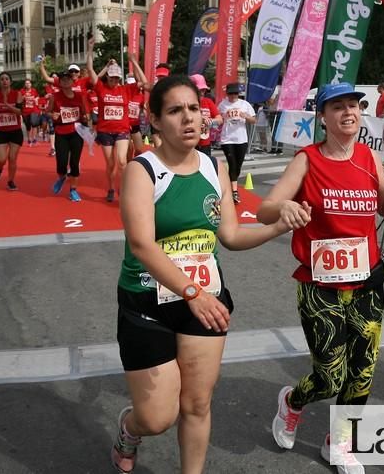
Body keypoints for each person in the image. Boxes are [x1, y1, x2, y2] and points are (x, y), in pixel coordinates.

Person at [112, 75, 293, 474]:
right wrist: (192, 292)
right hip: (149, 303)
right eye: (175, 111)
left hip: (204, 301)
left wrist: (278, 227)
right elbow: (142, 245)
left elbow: (229, 235)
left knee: (196, 404)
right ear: (155, 121)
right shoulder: (142, 171)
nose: (189, 119)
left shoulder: (216, 167)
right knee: (157, 418)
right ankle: (129, 430)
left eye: (194, 108)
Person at [257, 82, 384, 471]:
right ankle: (292, 402)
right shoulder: (307, 160)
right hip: (320, 285)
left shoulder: (368, 158)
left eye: (355, 106)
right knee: (329, 376)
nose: (349, 113)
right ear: (322, 117)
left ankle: (340, 442)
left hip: (367, 284)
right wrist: (285, 208)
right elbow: (265, 210)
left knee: (362, 373)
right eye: (337, 106)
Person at [86, 37, 149, 202]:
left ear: (120, 78)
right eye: (111, 77)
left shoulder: (126, 90)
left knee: (122, 161)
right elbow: (90, 70)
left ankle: (124, 188)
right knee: (111, 163)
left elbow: (144, 81)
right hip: (105, 131)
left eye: (116, 78)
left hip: (122, 130)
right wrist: (90, 50)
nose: (114, 81)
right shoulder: (100, 88)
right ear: (107, 77)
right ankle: (111, 188)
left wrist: (134, 62)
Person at [48, 70, 90, 202]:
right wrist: (52, 115)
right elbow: (48, 112)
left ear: (73, 81)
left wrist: (85, 117)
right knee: (61, 162)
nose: (65, 82)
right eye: (63, 80)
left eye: (68, 79)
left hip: (77, 132)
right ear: (59, 83)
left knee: (74, 162)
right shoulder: (55, 97)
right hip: (61, 132)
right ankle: (61, 177)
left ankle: (73, 190)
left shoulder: (80, 96)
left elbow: (86, 114)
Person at [217, 82, 256, 203]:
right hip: (227, 139)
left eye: (235, 93)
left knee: (238, 166)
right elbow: (218, 119)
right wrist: (220, 119)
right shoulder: (222, 104)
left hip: (241, 139)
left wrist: (246, 116)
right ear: (227, 94)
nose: (233, 96)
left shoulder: (244, 104)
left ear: (238, 94)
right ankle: (234, 192)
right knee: (232, 164)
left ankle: (230, 184)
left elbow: (254, 120)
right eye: (231, 93)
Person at [0, 71, 24, 191]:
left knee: (12, 158)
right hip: (1, 132)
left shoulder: (17, 94)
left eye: (7, 79)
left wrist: (7, 105)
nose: (4, 81)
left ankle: (10, 181)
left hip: (15, 131)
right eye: (2, 79)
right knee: (2, 159)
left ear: (10, 82)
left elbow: (20, 112)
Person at [189, 74, 222, 157]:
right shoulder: (186, 102)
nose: (202, 92)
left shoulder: (208, 102)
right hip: (190, 143)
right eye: (199, 90)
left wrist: (210, 121)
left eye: (203, 90)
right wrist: (199, 118)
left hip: (205, 143)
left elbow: (220, 120)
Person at [126, 75, 146, 157]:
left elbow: (142, 108)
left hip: (135, 125)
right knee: (129, 149)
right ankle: (129, 166)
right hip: (125, 126)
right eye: (129, 84)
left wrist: (145, 112)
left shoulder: (141, 97)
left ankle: (136, 164)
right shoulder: (125, 94)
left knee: (139, 150)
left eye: (133, 84)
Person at [20, 79, 40, 146]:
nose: (27, 84)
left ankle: (34, 138)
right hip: (25, 111)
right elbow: (19, 100)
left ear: (31, 84)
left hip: (34, 110)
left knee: (33, 123)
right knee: (28, 125)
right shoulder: (22, 91)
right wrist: (23, 97)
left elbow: (37, 97)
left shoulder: (34, 90)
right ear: (25, 85)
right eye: (26, 83)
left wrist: (36, 99)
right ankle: (29, 139)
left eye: (29, 83)